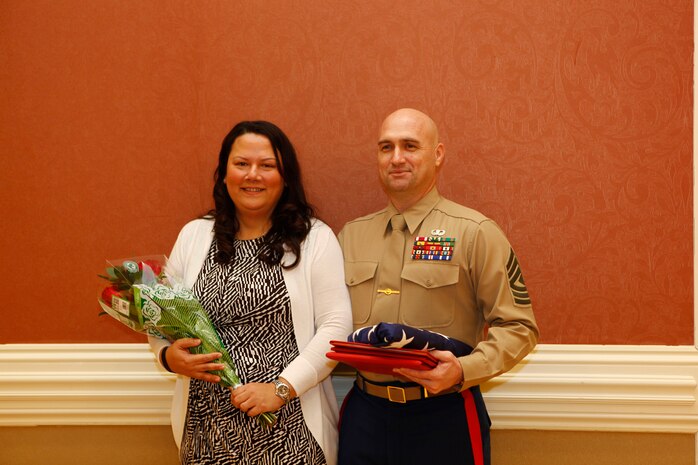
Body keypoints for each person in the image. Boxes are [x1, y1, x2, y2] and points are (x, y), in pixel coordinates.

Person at [337, 108, 539, 465]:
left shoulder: (475, 232)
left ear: (438, 154)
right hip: (364, 417)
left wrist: (464, 370)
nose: (397, 158)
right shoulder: (349, 237)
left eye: (410, 146)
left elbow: (519, 329)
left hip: (443, 417)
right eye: (386, 147)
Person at [149, 120, 353, 465]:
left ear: (285, 176)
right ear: (224, 173)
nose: (252, 175)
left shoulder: (315, 238)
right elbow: (160, 315)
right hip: (206, 432)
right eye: (242, 164)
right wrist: (168, 357)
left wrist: (280, 389)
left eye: (267, 165)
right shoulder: (194, 235)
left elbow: (336, 326)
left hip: (290, 430)